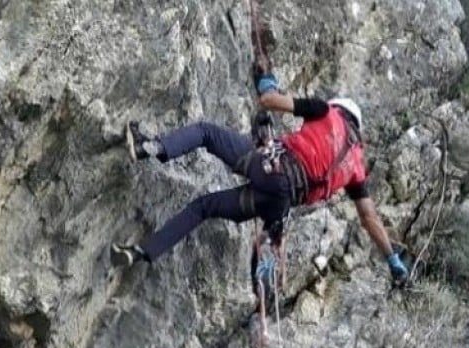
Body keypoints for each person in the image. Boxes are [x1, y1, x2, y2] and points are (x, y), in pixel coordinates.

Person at [109, 71, 410, 287]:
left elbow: (268, 101)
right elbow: (369, 217)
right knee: (205, 209)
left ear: (340, 109)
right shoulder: (356, 166)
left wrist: (268, 85)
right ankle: (140, 253)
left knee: (205, 133)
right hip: (277, 204)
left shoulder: (325, 112)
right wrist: (391, 260)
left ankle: (153, 147)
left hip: (268, 168)